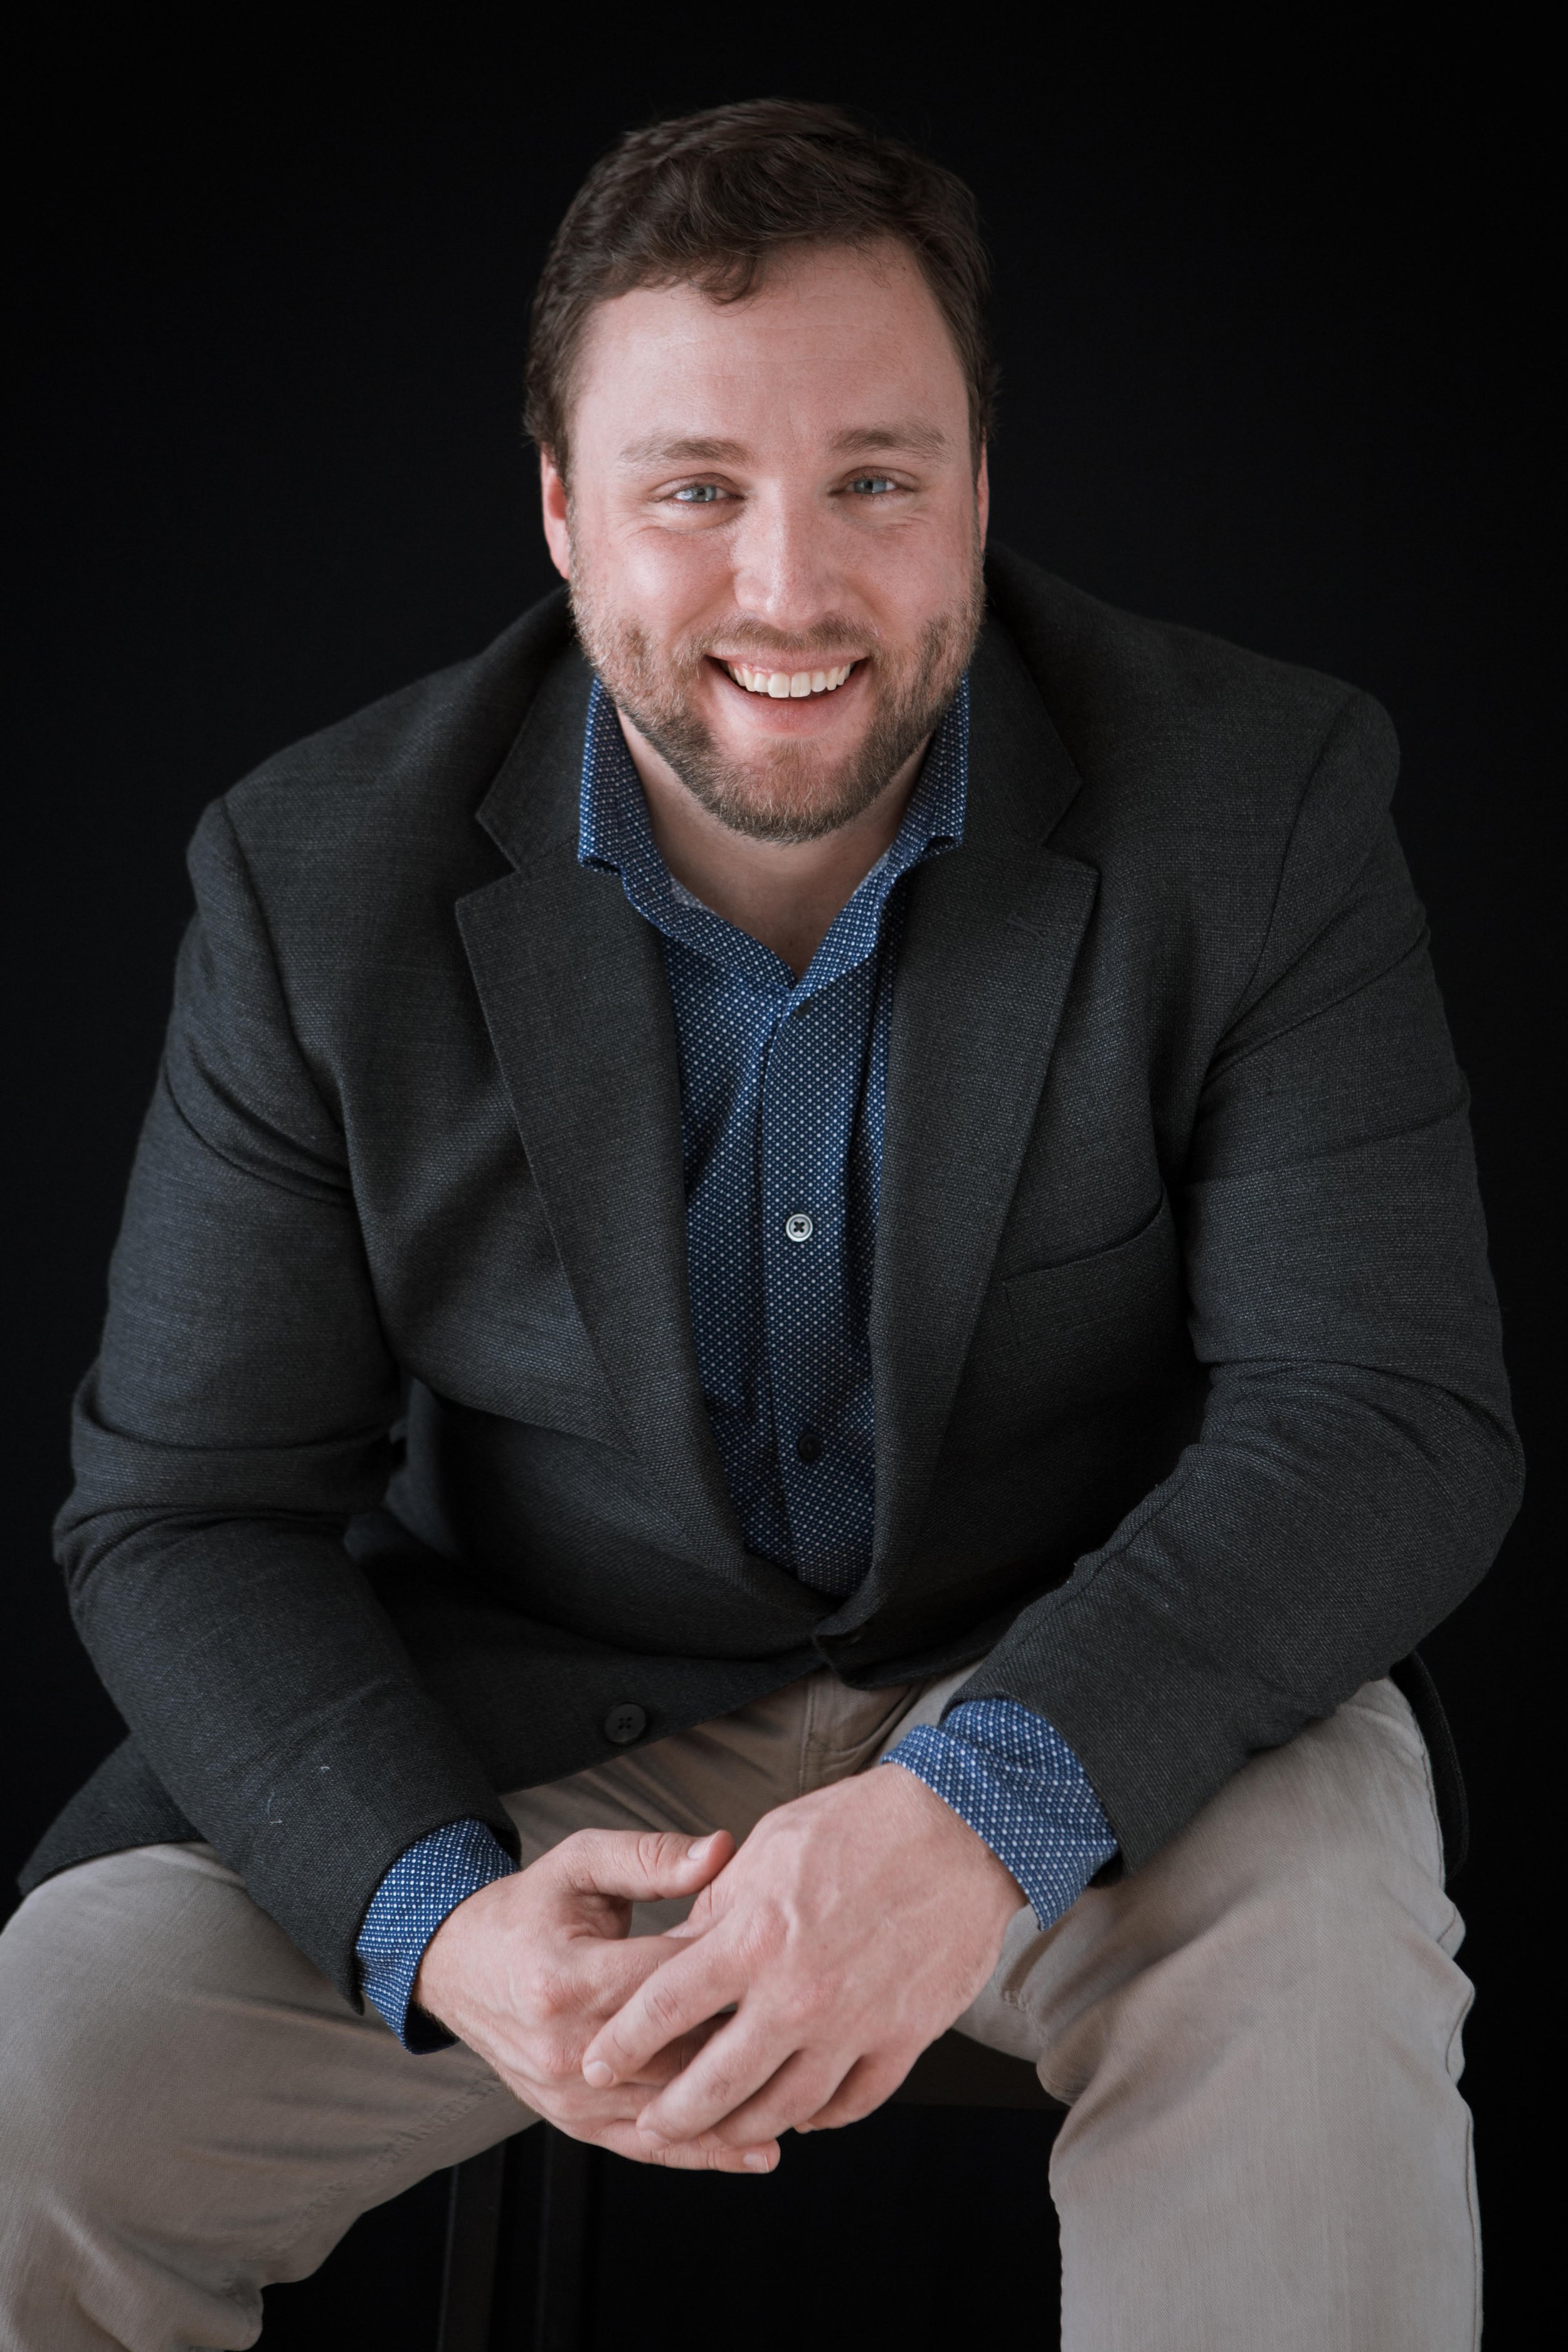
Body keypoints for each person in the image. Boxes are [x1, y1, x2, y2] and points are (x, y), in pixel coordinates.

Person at [0, 99, 1520, 2351]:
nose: (789, 587)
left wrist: (971, 1810)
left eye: (875, 482)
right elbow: (185, 1512)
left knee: (1314, 1991)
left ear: (979, 493)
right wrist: (442, 1921)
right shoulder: (314, 878)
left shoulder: (1260, 796)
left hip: (1104, 1692)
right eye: (693, 489)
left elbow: (1383, 1414)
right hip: (541, 1741)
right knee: (48, 2074)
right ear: (562, 517)